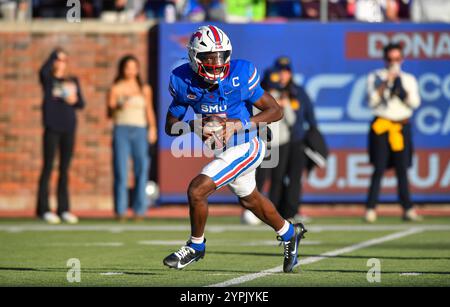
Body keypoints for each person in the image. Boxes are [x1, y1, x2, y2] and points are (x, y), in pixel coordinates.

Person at [163, 25, 307, 272]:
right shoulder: (182, 80)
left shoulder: (241, 73)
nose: (216, 63)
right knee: (250, 200)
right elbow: (170, 125)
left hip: (248, 144)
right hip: (223, 150)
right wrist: (193, 125)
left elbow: (275, 111)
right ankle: (289, 232)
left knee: (197, 190)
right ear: (194, 58)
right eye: (209, 58)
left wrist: (240, 124)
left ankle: (196, 246)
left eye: (220, 56)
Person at [365, 42, 421, 223]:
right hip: (382, 125)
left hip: (400, 126)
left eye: (396, 59)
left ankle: (407, 208)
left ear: (402, 59)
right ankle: (371, 208)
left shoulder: (409, 79)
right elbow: (371, 102)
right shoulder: (375, 77)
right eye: (390, 59)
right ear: (384, 60)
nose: (393, 63)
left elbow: (414, 104)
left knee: (402, 169)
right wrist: (385, 84)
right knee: (379, 168)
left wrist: (400, 88)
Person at [37, 48, 85, 224]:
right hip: (52, 127)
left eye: (64, 60)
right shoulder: (48, 80)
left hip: (69, 128)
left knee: (64, 169)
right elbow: (43, 71)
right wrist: (53, 57)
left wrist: (74, 100)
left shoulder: (72, 80)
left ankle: (63, 208)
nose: (60, 62)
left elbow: (81, 103)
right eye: (58, 59)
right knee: (48, 167)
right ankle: (44, 209)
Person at [107, 55, 158, 222]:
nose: (131, 70)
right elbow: (110, 112)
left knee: (141, 169)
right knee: (121, 171)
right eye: (127, 67)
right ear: (122, 69)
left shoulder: (144, 88)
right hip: (121, 130)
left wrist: (152, 128)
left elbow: (149, 109)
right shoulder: (116, 87)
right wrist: (119, 106)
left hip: (140, 130)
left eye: (134, 67)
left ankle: (139, 210)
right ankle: (120, 210)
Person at [250, 57, 297, 223]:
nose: (273, 89)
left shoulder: (283, 96)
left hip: (281, 142)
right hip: (264, 142)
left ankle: (273, 211)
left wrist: (286, 106)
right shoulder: (258, 97)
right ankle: (255, 211)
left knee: (278, 178)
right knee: (260, 177)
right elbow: (255, 118)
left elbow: (291, 121)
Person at [274, 57, 318, 222]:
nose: (283, 75)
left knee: (294, 177)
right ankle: (276, 210)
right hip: (279, 141)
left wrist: (313, 132)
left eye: (286, 72)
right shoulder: (271, 91)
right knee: (277, 177)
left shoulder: (298, 91)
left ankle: (292, 210)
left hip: (297, 140)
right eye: (280, 72)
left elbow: (309, 114)